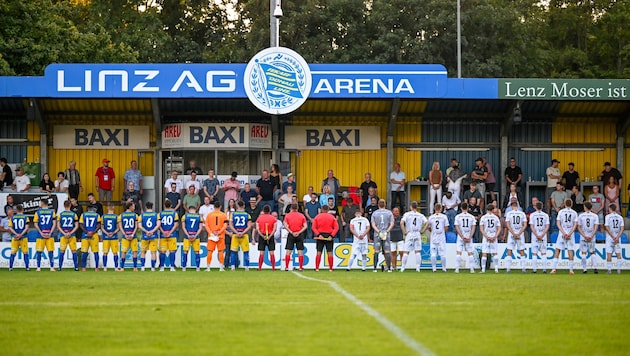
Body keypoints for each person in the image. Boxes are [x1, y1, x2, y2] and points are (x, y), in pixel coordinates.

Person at [551, 199, 578, 274]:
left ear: (565, 204)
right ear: (571, 204)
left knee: (558, 250)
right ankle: (571, 270)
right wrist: (569, 233)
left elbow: (558, 223)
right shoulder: (574, 213)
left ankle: (553, 269)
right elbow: (575, 224)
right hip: (570, 234)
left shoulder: (561, 212)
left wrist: (563, 233)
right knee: (570, 250)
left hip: (562, 233)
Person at [400, 201, 427, 272]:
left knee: (406, 252)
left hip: (410, 233)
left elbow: (401, 223)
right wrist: (423, 230)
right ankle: (418, 268)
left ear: (410, 207)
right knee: (417, 251)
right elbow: (427, 222)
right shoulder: (420, 215)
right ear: (417, 207)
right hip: (417, 233)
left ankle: (403, 267)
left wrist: (404, 231)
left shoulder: (407, 214)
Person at [312, 204, 339, 272]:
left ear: (321, 210)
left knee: (319, 252)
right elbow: (336, 227)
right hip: (329, 235)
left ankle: (317, 268)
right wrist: (331, 236)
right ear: (328, 210)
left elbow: (313, 227)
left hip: (320, 235)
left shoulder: (317, 217)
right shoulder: (332, 217)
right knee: (330, 252)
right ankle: (330, 268)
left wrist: (318, 235)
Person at [228, 200, 253, 271]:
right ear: (244, 206)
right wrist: (242, 232)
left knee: (233, 251)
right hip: (244, 235)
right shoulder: (247, 215)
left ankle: (232, 267)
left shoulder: (232, 214)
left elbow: (230, 225)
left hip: (235, 235)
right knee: (246, 251)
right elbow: (249, 226)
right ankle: (247, 267)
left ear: (237, 206)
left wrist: (236, 232)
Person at [33, 199, 57, 272]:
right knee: (50, 251)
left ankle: (38, 267)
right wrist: (50, 233)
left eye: (40, 203)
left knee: (39, 251)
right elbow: (54, 224)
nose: (39, 204)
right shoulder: (52, 212)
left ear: (43, 203)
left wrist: (41, 233)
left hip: (40, 235)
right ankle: (52, 267)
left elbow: (35, 224)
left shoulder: (37, 212)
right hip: (50, 235)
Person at [504, 200, 528, 273]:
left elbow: (508, 225)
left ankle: (508, 269)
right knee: (521, 250)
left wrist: (513, 233)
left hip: (512, 234)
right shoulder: (522, 214)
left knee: (509, 250)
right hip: (520, 234)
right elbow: (525, 225)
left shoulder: (509, 213)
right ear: (517, 206)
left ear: (511, 206)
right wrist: (519, 233)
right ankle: (523, 269)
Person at [454, 202, 477, 273]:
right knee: (470, 253)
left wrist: (461, 236)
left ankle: (457, 269)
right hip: (468, 235)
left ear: (461, 208)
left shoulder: (458, 216)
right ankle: (472, 269)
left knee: (458, 252)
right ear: (467, 208)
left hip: (461, 236)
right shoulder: (471, 217)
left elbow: (457, 227)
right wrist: (470, 236)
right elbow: (473, 227)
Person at [284, 203, 308, 271]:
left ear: (291, 208)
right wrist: (299, 232)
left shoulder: (288, 215)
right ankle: (300, 267)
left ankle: (286, 267)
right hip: (299, 234)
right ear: (297, 208)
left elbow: (285, 225)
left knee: (288, 251)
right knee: (300, 251)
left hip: (291, 234)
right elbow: (305, 226)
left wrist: (291, 232)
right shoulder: (301, 215)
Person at [205, 201, 228, 272]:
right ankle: (221, 267)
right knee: (221, 251)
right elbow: (225, 225)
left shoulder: (209, 215)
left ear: (214, 207)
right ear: (220, 206)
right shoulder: (223, 215)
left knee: (210, 251)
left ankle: (208, 267)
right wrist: (219, 232)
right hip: (220, 235)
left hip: (211, 236)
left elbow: (206, 225)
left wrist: (211, 233)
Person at [577, 201, 599, 274]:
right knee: (592, 252)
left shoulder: (581, 216)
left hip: (584, 237)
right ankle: (595, 268)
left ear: (585, 207)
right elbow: (596, 227)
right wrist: (592, 235)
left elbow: (579, 227)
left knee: (583, 253)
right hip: (591, 237)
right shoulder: (595, 216)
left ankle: (584, 269)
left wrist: (584, 235)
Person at [426, 203, 449, 273]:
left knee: (433, 253)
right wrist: (442, 233)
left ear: (434, 209)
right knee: (443, 253)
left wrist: (432, 231)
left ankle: (434, 268)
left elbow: (428, 227)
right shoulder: (444, 217)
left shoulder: (431, 217)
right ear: (440, 209)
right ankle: (444, 268)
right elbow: (446, 227)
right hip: (441, 236)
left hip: (433, 236)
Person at [57, 200, 79, 271]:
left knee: (62, 251)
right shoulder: (74, 215)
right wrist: (70, 233)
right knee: (74, 251)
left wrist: (64, 233)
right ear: (70, 205)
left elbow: (58, 226)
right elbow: (76, 226)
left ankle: (60, 267)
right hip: (72, 235)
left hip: (63, 235)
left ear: (64, 206)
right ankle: (76, 267)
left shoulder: (60, 215)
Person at [529, 201, 550, 273]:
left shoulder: (532, 215)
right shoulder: (545, 215)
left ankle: (534, 270)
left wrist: (536, 235)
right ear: (542, 207)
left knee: (534, 253)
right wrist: (543, 234)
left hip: (535, 236)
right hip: (543, 236)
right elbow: (547, 226)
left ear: (535, 207)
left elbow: (531, 226)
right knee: (543, 253)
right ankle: (544, 269)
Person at [479, 204, 502, 273]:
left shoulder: (483, 217)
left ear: (486, 209)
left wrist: (486, 236)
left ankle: (483, 269)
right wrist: (495, 236)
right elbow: (499, 228)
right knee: (495, 252)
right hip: (493, 235)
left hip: (486, 236)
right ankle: (496, 269)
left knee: (484, 252)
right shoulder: (496, 217)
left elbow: (481, 228)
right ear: (492, 210)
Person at [158, 199, 179, 272]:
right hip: (172, 235)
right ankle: (172, 267)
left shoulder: (160, 214)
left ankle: (162, 267)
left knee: (162, 251)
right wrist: (170, 232)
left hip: (163, 235)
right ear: (171, 206)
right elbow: (176, 225)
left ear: (164, 206)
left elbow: (158, 225)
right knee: (172, 251)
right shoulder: (174, 214)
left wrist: (163, 232)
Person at [139, 201, 160, 272]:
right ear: (152, 206)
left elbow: (139, 226)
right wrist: (152, 231)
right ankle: (153, 268)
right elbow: (158, 225)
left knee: (143, 252)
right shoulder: (156, 215)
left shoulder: (142, 215)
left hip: (145, 236)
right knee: (153, 252)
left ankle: (142, 267)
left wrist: (146, 231)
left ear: (146, 207)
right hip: (154, 236)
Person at [118, 201, 140, 272]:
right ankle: (135, 268)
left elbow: (120, 226)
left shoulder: (121, 215)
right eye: (133, 206)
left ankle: (122, 268)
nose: (134, 207)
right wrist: (133, 234)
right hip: (133, 236)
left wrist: (124, 234)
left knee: (123, 252)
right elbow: (137, 226)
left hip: (125, 236)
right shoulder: (135, 215)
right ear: (130, 207)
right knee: (135, 252)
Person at [7, 205, 30, 271]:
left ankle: (10, 267)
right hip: (23, 237)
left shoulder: (12, 218)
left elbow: (10, 227)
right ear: (22, 210)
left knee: (13, 253)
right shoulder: (26, 217)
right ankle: (27, 267)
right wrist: (21, 234)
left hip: (15, 238)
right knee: (25, 253)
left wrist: (16, 234)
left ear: (16, 210)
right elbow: (27, 227)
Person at [79, 205, 101, 272]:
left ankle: (83, 268)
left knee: (84, 252)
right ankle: (96, 268)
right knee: (95, 252)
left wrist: (86, 232)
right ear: (92, 209)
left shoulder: (83, 215)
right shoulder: (97, 215)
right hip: (94, 235)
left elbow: (81, 224)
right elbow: (99, 225)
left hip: (85, 235)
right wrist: (93, 232)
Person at [181, 205, 203, 272]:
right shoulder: (199, 217)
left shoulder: (185, 216)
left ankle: (184, 267)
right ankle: (198, 267)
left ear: (189, 210)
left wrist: (188, 235)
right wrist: (195, 235)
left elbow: (183, 227)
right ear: (195, 210)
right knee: (197, 252)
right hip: (196, 237)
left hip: (187, 237)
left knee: (185, 252)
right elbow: (200, 228)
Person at [256, 204, 278, 271]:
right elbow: (275, 229)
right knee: (271, 252)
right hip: (270, 235)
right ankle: (273, 267)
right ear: (270, 211)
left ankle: (259, 267)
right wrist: (270, 236)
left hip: (262, 235)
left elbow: (257, 229)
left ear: (263, 210)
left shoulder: (259, 218)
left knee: (261, 252)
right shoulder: (273, 218)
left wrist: (262, 236)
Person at [604, 203, 624, 274]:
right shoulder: (620, 217)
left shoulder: (607, 217)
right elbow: (622, 228)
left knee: (609, 253)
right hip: (617, 237)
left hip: (610, 237)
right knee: (618, 253)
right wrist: (617, 237)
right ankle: (619, 270)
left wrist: (612, 237)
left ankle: (609, 270)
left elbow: (607, 227)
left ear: (610, 209)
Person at [101, 204, 120, 272]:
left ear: (107, 208)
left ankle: (105, 267)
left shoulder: (103, 216)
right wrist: (113, 233)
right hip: (114, 237)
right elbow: (118, 228)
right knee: (115, 253)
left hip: (106, 237)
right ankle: (116, 268)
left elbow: (102, 227)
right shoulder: (116, 217)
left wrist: (106, 233)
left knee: (105, 253)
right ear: (114, 208)